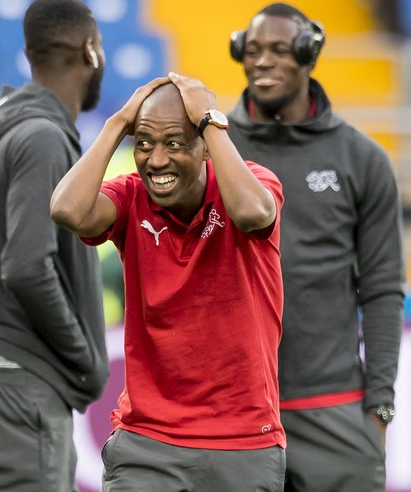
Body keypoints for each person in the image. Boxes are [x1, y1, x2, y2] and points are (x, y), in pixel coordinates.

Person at [51, 72, 286, 491]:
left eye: (175, 143)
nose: (156, 160)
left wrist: (212, 122)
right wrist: (117, 124)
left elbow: (253, 213)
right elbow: (67, 210)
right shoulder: (130, 196)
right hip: (147, 445)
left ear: (205, 146)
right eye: (144, 144)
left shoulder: (254, 182)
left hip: (243, 444)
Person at [226, 3, 405, 491]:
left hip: (332, 410)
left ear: (309, 55)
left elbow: (384, 288)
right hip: (232, 413)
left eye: (280, 50)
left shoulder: (361, 158)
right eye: (255, 50)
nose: (263, 62)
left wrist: (379, 409)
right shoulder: (214, 148)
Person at [0, 0, 109, 489]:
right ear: (90, 51)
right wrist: (81, 357)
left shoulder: (11, 128)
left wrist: (3, 312)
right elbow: (28, 267)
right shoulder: (43, 137)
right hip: (22, 387)